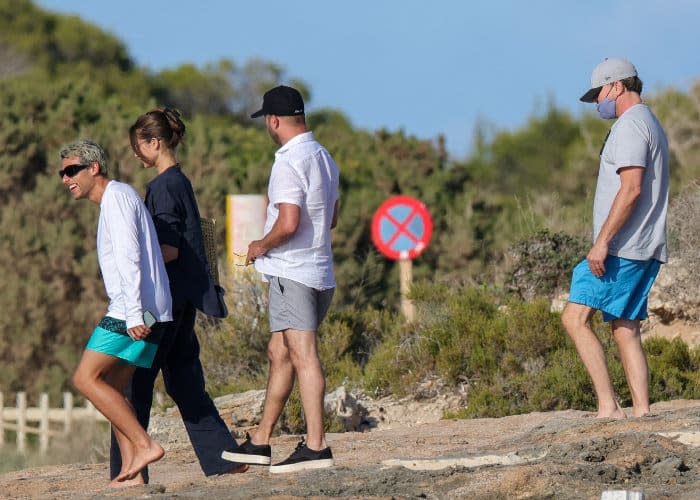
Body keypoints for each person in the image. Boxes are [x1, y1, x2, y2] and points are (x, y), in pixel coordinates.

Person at [109, 108, 248, 483]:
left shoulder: (163, 187)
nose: (136, 154)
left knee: (131, 382)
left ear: (154, 143)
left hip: (163, 303)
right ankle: (224, 458)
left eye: (138, 146)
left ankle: (128, 470)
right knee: (185, 381)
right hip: (183, 298)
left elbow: (168, 249)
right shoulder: (179, 181)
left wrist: (129, 256)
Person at [221, 85, 340, 473]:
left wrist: (260, 245)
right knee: (280, 352)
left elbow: (288, 222)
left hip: (293, 271)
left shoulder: (288, 162)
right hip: (320, 270)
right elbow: (332, 218)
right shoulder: (324, 157)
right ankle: (260, 440)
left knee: (303, 355)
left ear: (273, 121)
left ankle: (316, 446)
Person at [59, 139, 173, 486]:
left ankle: (145, 445)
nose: (66, 178)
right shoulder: (115, 199)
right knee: (113, 388)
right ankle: (132, 476)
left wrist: (135, 315)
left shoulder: (117, 198)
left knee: (85, 379)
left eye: (72, 170)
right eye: (63, 173)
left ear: (94, 168)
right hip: (147, 310)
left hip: (134, 311)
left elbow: (130, 258)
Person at [562, 58, 669, 419]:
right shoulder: (650, 122)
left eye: (598, 93)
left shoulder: (630, 126)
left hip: (624, 247)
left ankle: (608, 407)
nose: (596, 102)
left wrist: (603, 241)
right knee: (626, 328)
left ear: (618, 86)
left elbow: (632, 189)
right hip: (643, 246)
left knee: (575, 318)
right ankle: (642, 411)